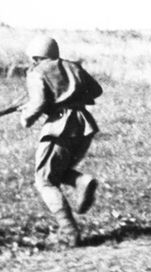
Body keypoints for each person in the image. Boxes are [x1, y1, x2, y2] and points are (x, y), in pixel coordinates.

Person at [21, 36, 102, 248]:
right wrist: (69, 94)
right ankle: (81, 181)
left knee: (44, 181)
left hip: (59, 127)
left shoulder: (37, 71)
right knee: (56, 171)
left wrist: (26, 117)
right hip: (84, 124)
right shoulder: (72, 66)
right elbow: (95, 90)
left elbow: (38, 102)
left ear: (36, 56)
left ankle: (69, 232)